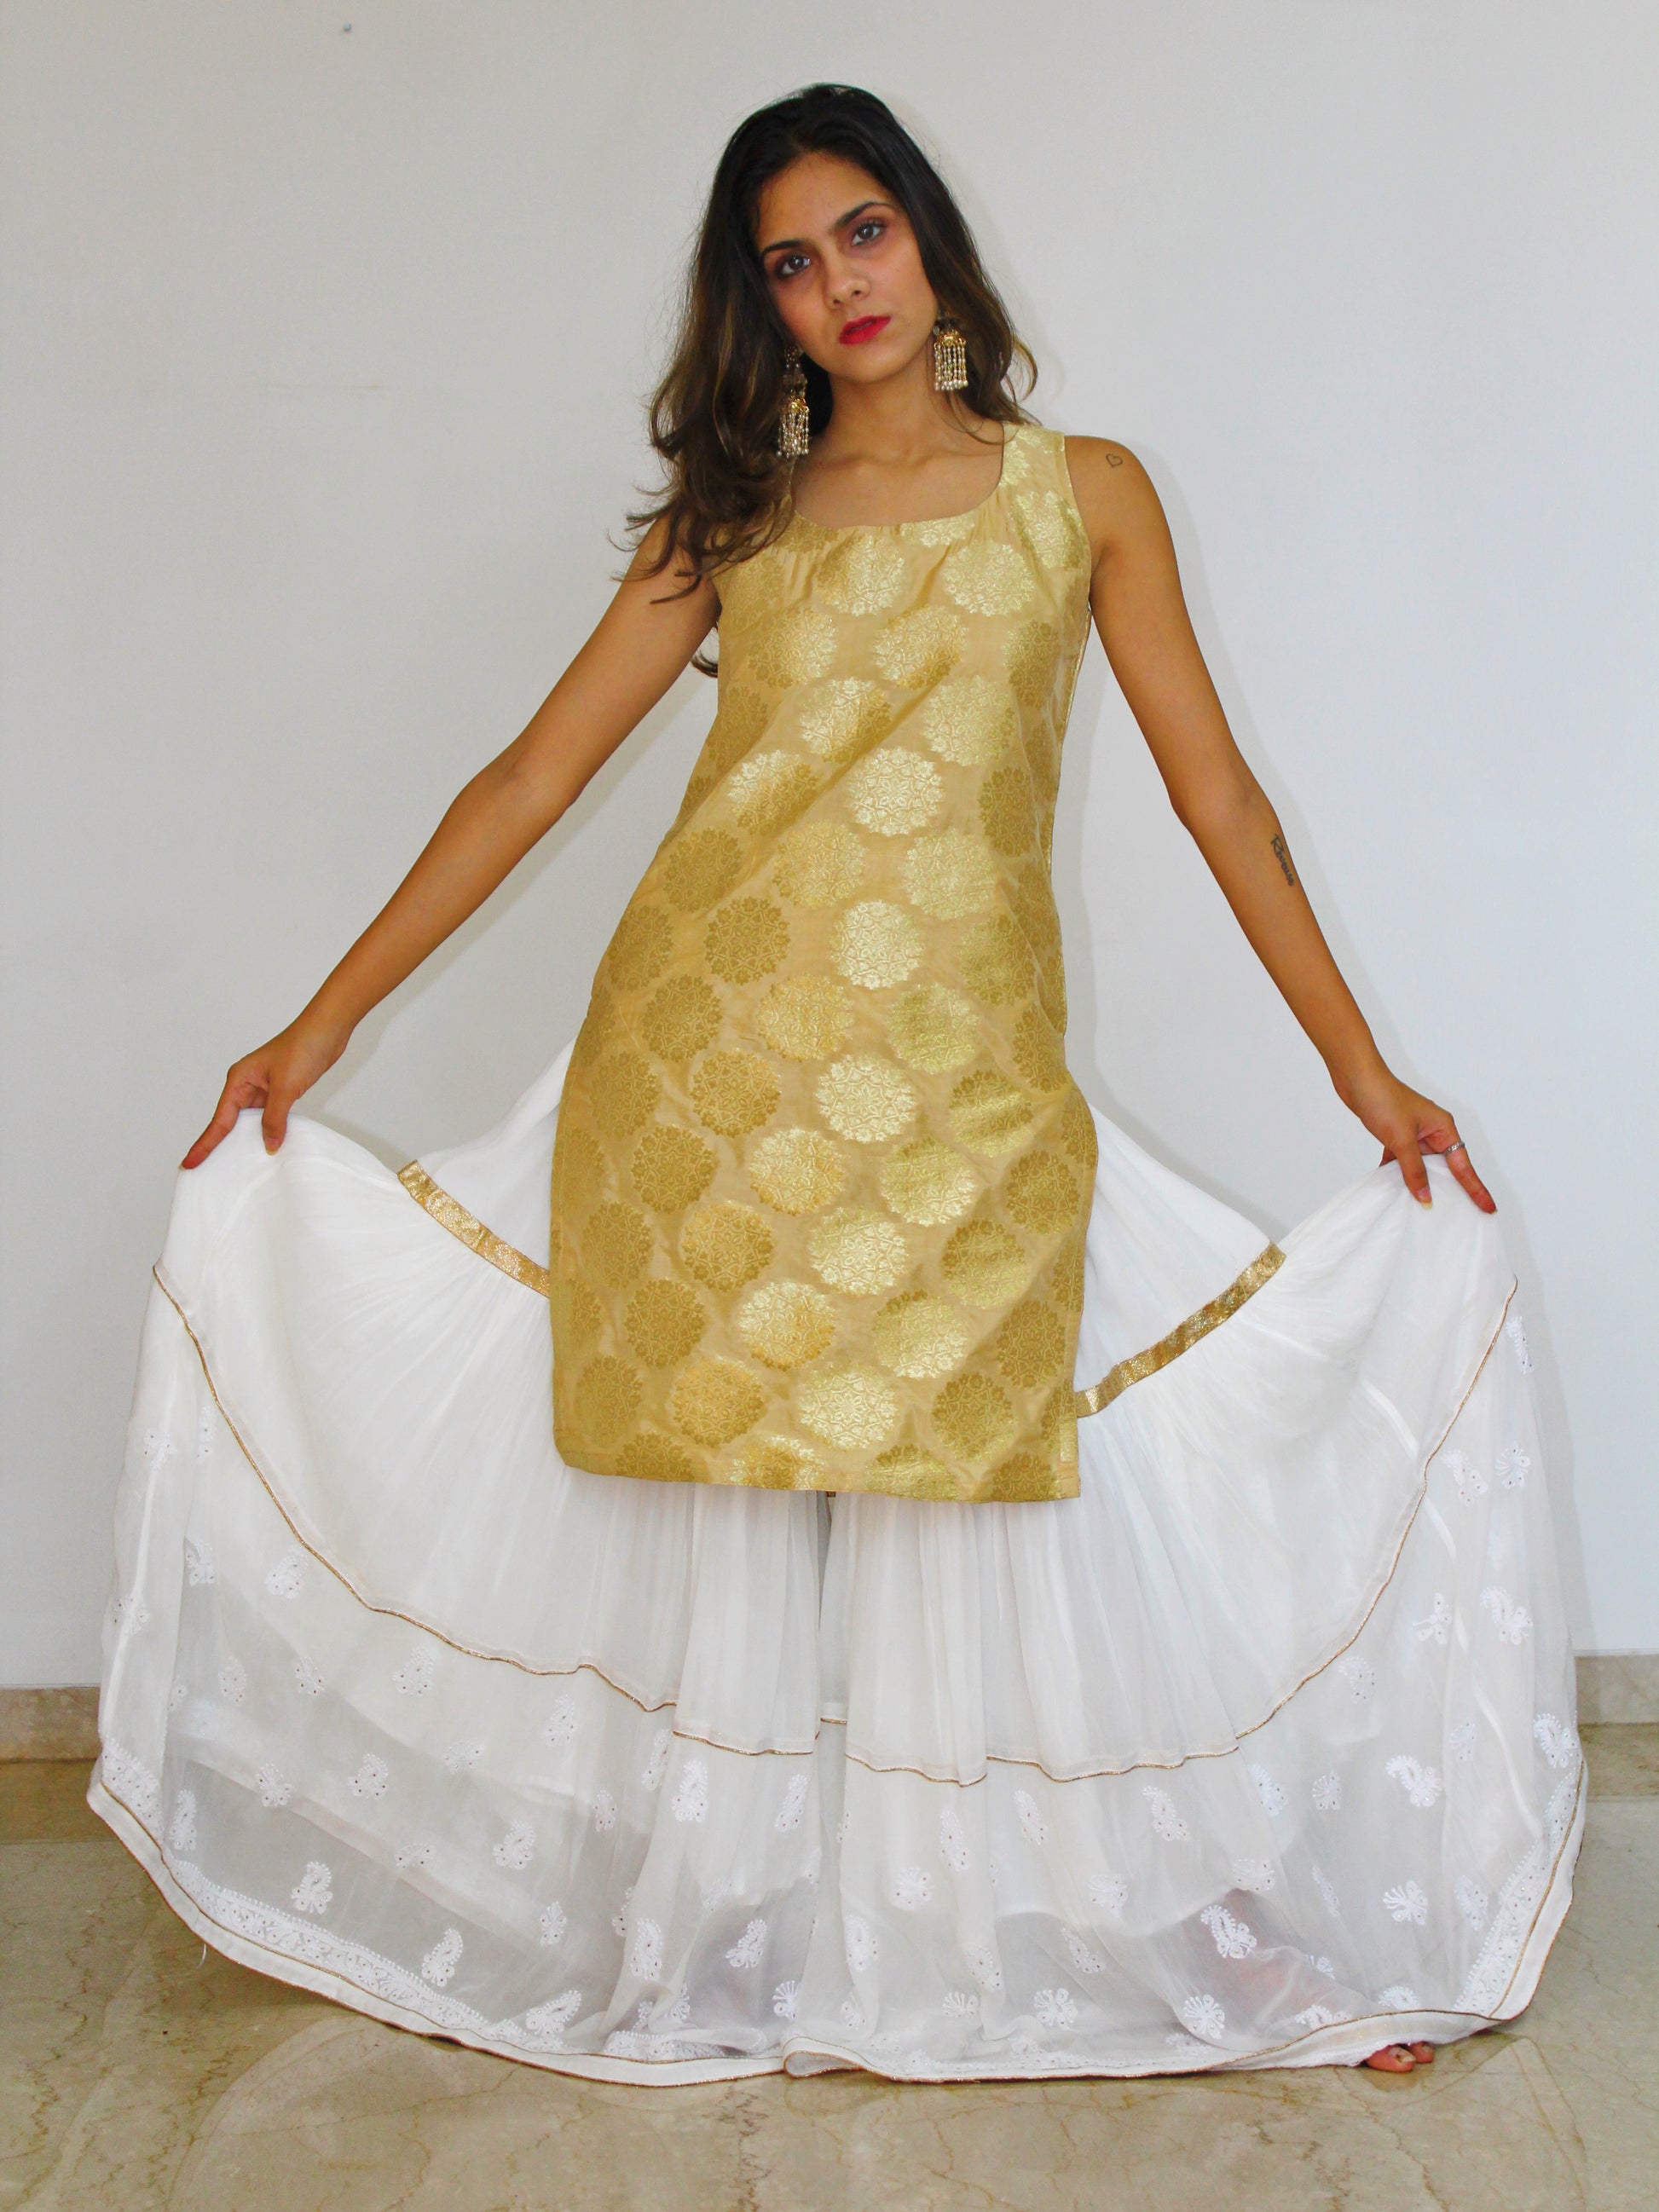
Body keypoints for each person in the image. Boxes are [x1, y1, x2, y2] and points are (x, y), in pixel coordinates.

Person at [90, 83, 1581, 2085]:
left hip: (964, 1086)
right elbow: (531, 776)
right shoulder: (737, 519)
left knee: (1019, 1491)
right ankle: (713, 1931)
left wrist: (1359, 1069)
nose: (839, 285)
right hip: (709, 1087)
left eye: (861, 231)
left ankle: (1213, 1937)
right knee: (737, 1519)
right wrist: (320, 1024)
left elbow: (1220, 799)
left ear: (929, 235)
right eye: (788, 262)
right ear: (761, 304)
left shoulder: (1084, 493)